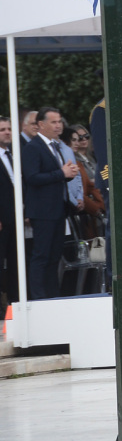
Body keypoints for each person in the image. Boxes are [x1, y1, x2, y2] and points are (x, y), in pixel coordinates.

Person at [22, 107, 79, 300]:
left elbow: (55, 177)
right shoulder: (33, 147)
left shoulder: (55, 146)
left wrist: (69, 174)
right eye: (54, 122)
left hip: (57, 209)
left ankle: (52, 294)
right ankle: (38, 295)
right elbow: (32, 177)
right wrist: (61, 173)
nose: (58, 126)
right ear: (41, 125)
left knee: (55, 256)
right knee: (42, 255)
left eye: (60, 121)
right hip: (42, 210)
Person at [0, 117, 19, 304]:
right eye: (2, 129)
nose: (7, 132)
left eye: (9, 129)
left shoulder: (13, 155)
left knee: (16, 264)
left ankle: (14, 304)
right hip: (2, 219)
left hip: (16, 220)